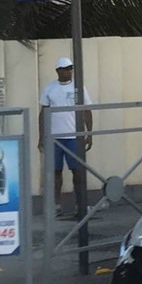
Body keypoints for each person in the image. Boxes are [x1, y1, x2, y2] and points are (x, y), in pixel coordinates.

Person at [39, 57, 93, 218]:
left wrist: (89, 134)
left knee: (77, 171)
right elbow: (43, 113)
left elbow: (87, 111)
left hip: (74, 137)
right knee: (56, 173)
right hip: (55, 137)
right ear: (58, 71)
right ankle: (56, 206)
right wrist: (41, 137)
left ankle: (80, 205)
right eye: (65, 68)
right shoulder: (50, 88)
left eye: (70, 68)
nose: (69, 71)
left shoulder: (79, 87)